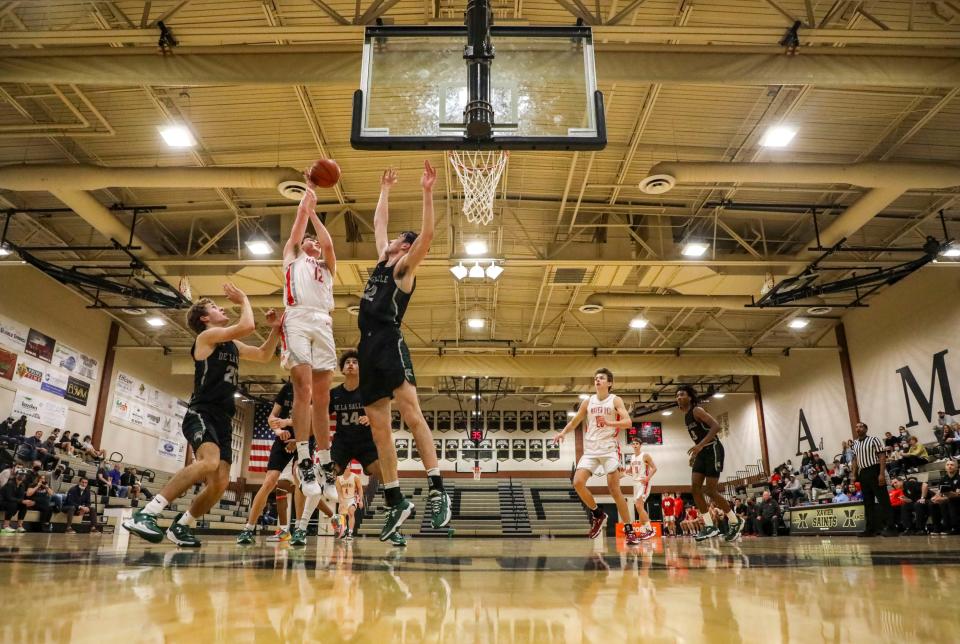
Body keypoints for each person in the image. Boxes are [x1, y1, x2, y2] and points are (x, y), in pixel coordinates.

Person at [123, 283, 281, 547]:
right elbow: (249, 326)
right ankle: (146, 513)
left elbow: (264, 355)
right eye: (215, 307)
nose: (221, 308)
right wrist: (244, 298)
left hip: (224, 419)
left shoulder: (231, 344)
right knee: (208, 462)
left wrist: (276, 330)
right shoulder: (205, 338)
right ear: (205, 318)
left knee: (220, 482)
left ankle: (181, 526)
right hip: (202, 412)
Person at [357, 163, 450, 543]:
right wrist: (385, 189)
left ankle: (438, 487)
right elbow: (379, 223)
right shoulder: (382, 260)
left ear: (405, 247)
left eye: (397, 238)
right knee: (379, 427)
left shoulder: (403, 270)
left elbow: (427, 235)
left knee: (411, 414)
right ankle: (395, 499)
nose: (390, 239)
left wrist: (427, 191)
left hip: (388, 341)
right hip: (365, 346)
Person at [280, 170, 339, 500]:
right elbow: (298, 221)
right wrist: (311, 190)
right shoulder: (292, 257)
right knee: (302, 389)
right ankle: (304, 460)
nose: (313, 242)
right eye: (308, 240)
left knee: (323, 397)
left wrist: (317, 214)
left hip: (323, 322)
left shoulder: (327, 266)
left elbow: (328, 243)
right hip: (298, 318)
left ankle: (326, 464)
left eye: (314, 241)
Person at [554, 368, 637, 543]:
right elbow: (575, 421)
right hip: (591, 449)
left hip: (609, 448)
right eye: (595, 378)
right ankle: (598, 514)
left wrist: (609, 422)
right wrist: (563, 433)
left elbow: (628, 422)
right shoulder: (588, 402)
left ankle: (629, 529)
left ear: (610, 383)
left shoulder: (615, 400)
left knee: (614, 490)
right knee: (577, 482)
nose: (597, 380)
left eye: (601, 378)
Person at [236, 380, 319, 546]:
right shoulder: (287, 389)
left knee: (299, 478)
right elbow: (272, 417)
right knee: (269, 481)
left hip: (304, 440)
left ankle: (299, 530)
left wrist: (293, 434)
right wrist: (278, 430)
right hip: (283, 440)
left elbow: (314, 424)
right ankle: (248, 528)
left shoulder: (314, 390)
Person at [327, 351, 387, 540]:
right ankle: (328, 518)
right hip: (342, 442)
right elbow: (318, 418)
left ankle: (392, 509)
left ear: (361, 368)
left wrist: (371, 417)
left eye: (355, 362)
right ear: (342, 369)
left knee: (383, 471)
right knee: (325, 476)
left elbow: (385, 413)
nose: (351, 364)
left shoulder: (368, 391)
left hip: (365, 442)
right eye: (348, 362)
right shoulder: (334, 394)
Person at [675, 385, 743, 542]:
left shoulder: (697, 410)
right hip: (702, 452)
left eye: (682, 394)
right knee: (695, 489)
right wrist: (697, 451)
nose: (678, 397)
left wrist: (700, 445)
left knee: (710, 491)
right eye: (677, 395)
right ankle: (709, 526)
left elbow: (716, 427)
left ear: (690, 397)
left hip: (713, 449)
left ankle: (735, 521)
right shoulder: (686, 416)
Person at [851, 421, 894, 537]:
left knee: (883, 500)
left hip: (875, 470)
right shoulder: (854, 444)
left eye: (860, 426)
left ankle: (892, 527)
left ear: (866, 429)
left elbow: (882, 456)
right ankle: (871, 529)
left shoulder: (874, 439)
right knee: (868, 502)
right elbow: (855, 460)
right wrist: (854, 475)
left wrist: (881, 474)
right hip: (863, 473)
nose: (858, 428)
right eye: (856, 427)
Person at [626, 439, 657, 540]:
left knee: (639, 506)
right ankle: (643, 530)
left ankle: (650, 529)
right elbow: (630, 471)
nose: (635, 445)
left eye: (637, 444)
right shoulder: (632, 457)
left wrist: (648, 478)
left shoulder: (645, 455)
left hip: (643, 482)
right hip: (635, 483)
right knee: (639, 508)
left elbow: (654, 468)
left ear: (640, 445)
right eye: (633, 444)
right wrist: (622, 473)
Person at [929, 459, 960, 535]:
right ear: (945, 468)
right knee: (932, 503)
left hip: (957, 499)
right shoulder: (943, 479)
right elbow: (939, 493)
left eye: (952, 465)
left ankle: (953, 528)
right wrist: (935, 498)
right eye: (948, 465)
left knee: (948, 502)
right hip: (947, 498)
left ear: (957, 468)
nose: (949, 466)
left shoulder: (959, 478)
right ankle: (937, 527)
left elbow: (958, 494)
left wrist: (944, 498)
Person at [335, 468, 363, 541]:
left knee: (351, 512)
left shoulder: (355, 477)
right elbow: (339, 491)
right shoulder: (338, 478)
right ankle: (344, 531)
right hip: (344, 499)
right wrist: (341, 500)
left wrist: (360, 501)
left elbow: (360, 489)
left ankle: (350, 532)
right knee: (342, 515)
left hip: (352, 498)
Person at [0, 469, 29, 533]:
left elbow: (21, 498)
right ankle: (5, 526)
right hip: (2, 501)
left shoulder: (22, 485)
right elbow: (8, 497)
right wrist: (21, 501)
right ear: (16, 475)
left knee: (24, 505)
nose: (23, 476)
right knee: (12, 503)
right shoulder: (10, 483)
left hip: (11, 502)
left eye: (24, 475)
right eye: (21, 474)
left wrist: (25, 502)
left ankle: (19, 526)